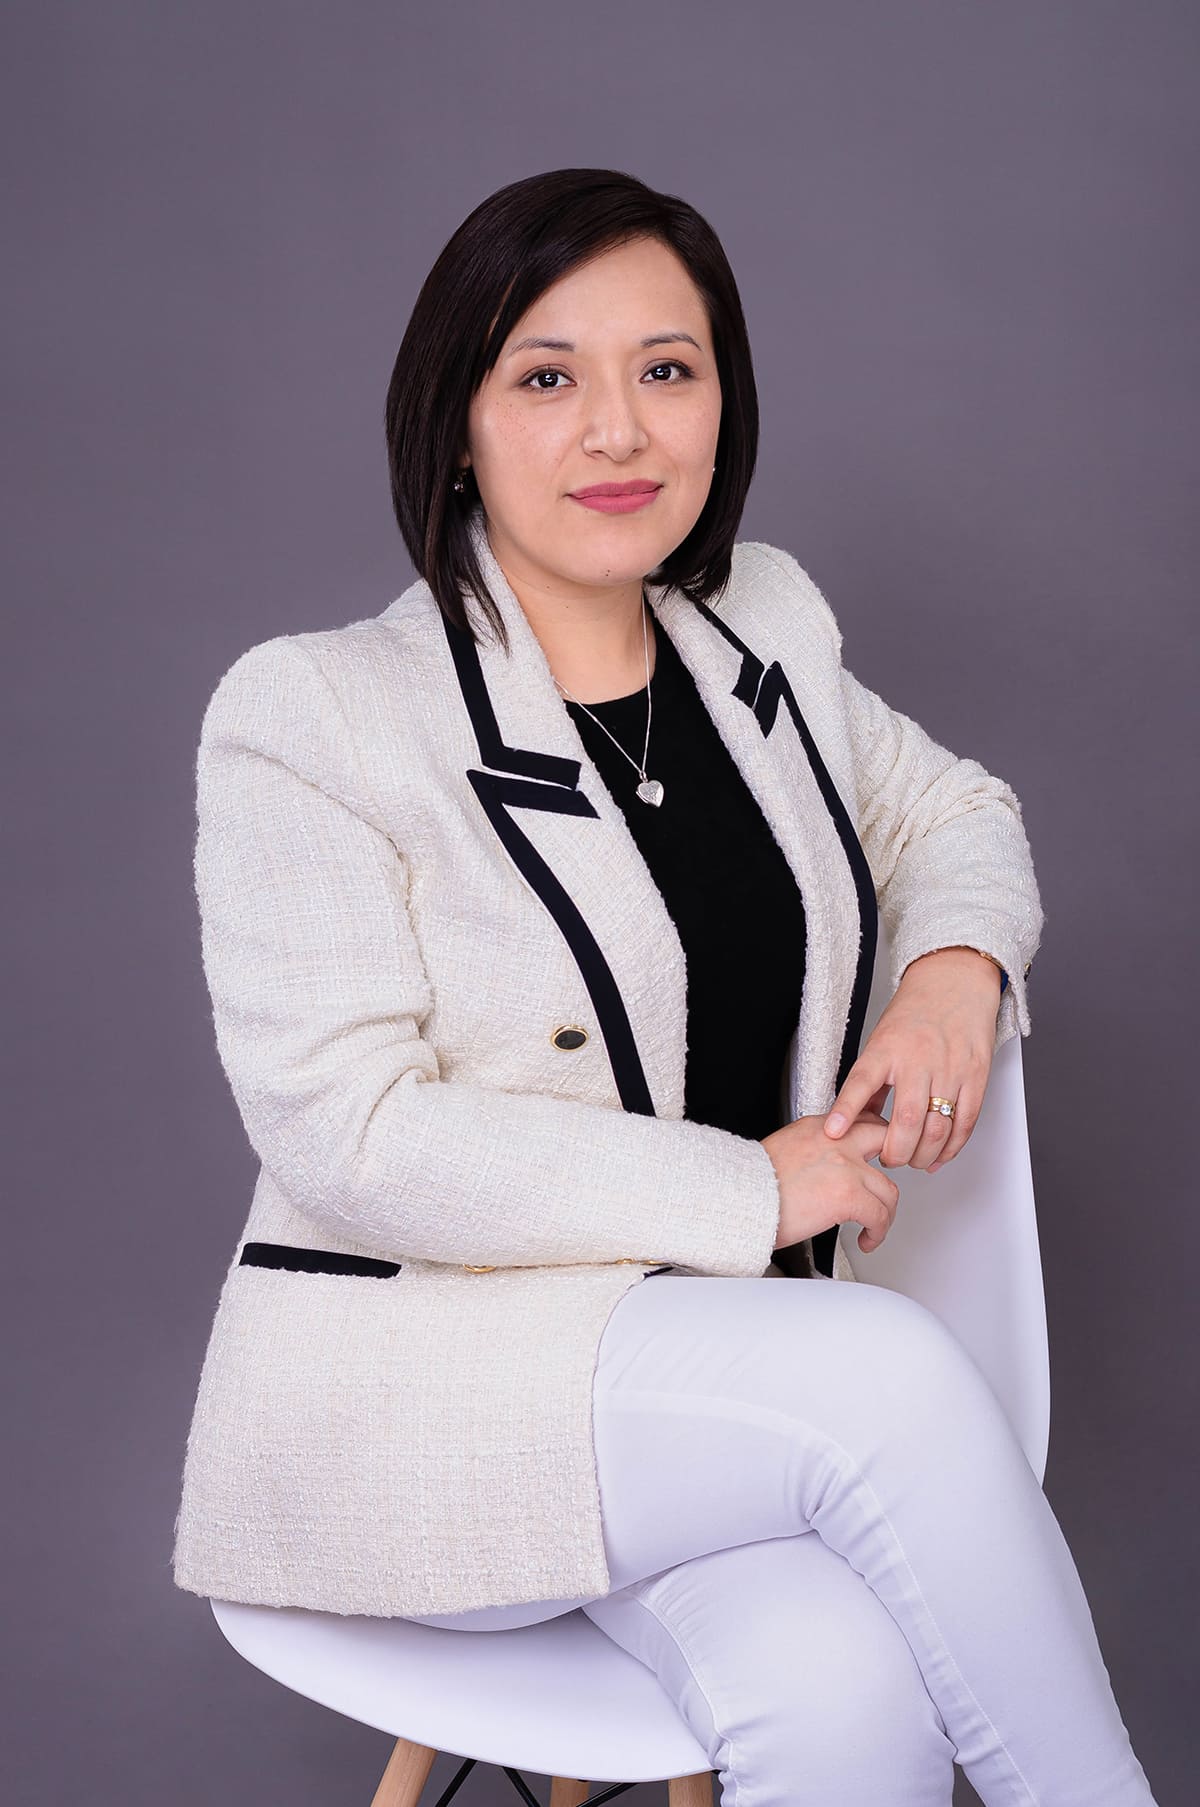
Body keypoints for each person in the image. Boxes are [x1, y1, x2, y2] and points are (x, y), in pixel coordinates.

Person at [173, 168, 1158, 1804]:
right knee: (892, 1373)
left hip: (724, 1415)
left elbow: (954, 815)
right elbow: (351, 1132)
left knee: (847, 1696)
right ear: (459, 422)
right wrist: (751, 1188)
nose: (618, 430)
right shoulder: (317, 715)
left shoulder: (760, 627)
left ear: (722, 402)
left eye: (667, 369)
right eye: (547, 378)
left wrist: (953, 975)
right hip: (449, 1399)